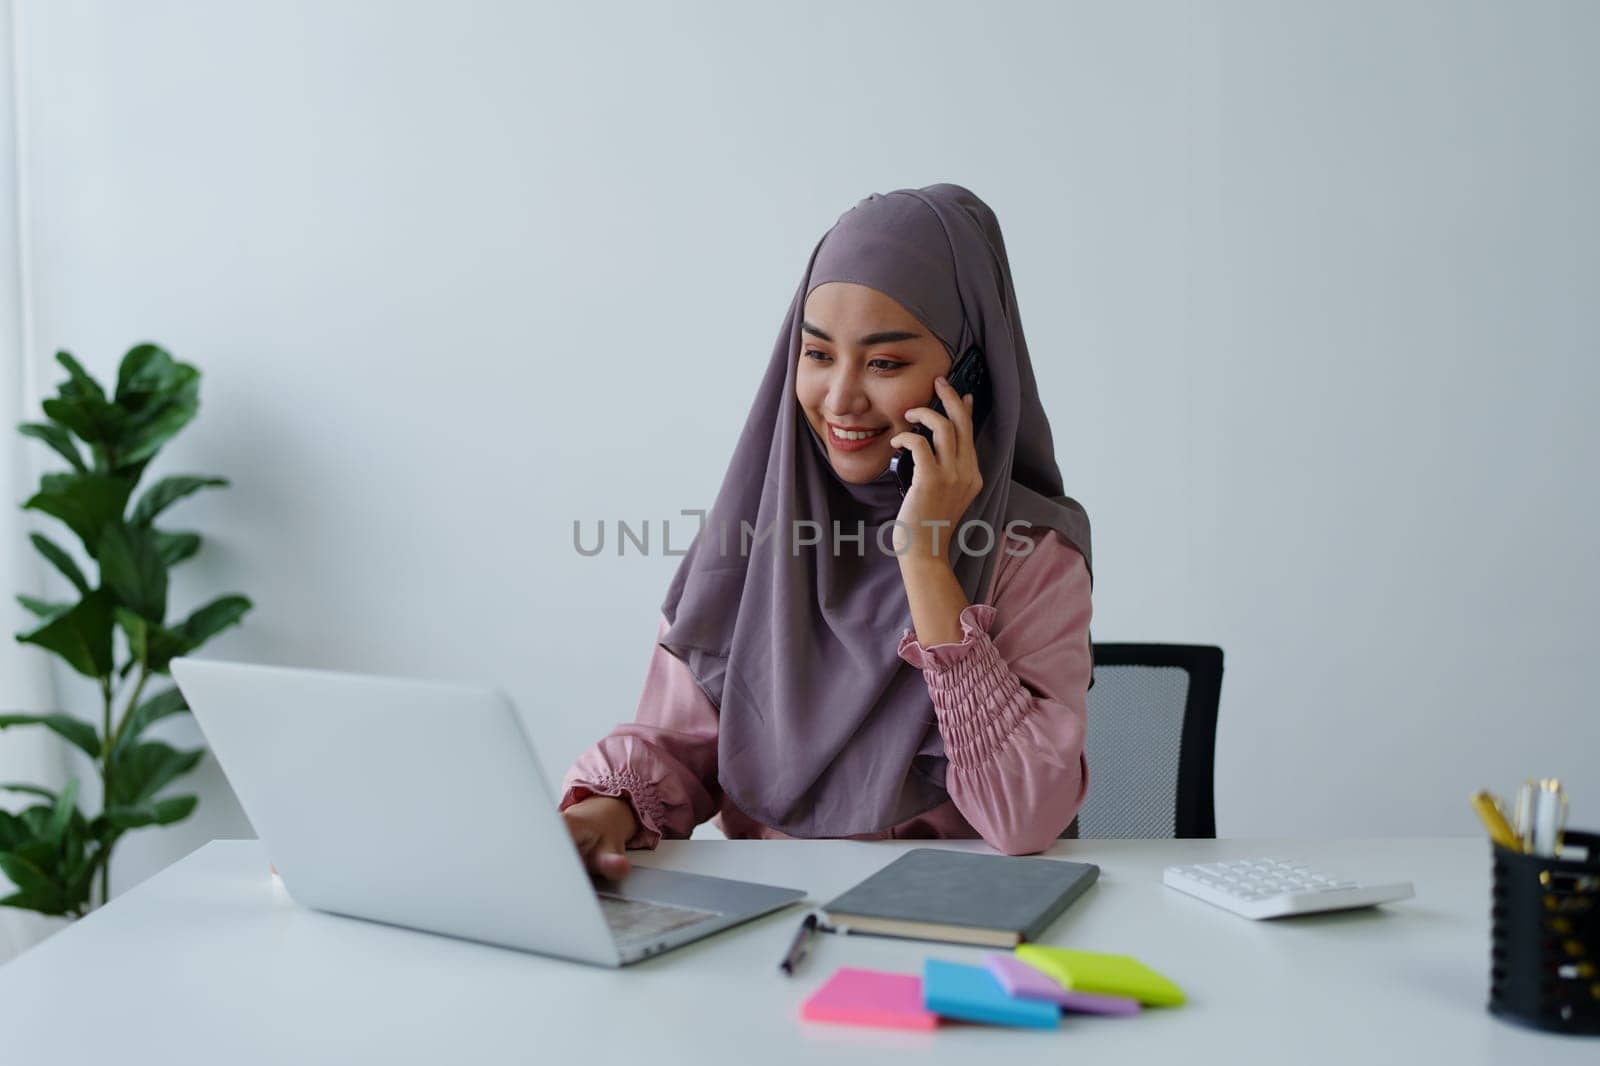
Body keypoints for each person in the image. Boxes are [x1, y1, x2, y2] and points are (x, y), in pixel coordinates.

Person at [560, 184, 1094, 880]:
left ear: (970, 374)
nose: (840, 399)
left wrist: (927, 561)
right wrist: (606, 809)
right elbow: (677, 744)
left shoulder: (1031, 552)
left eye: (885, 363)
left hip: (962, 927)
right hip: (774, 925)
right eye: (816, 355)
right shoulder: (753, 532)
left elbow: (1025, 818)